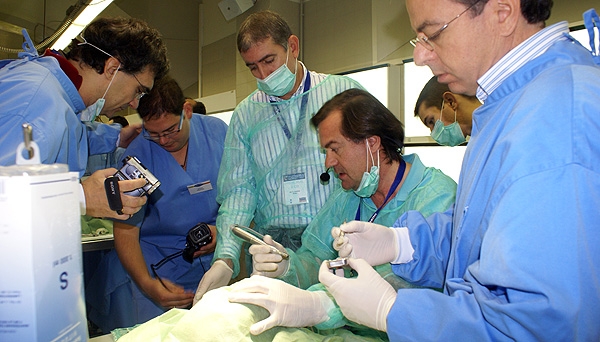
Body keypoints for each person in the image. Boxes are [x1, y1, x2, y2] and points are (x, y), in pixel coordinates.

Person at [317, 2, 600, 341]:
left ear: (503, 12)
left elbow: (535, 327)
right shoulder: (511, 105)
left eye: (432, 34)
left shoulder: (556, 122)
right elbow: (479, 232)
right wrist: (402, 243)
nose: (420, 56)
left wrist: (392, 311)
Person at [228, 88, 457, 337]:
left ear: (372, 142)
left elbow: (408, 283)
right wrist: (286, 266)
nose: (328, 162)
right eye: (325, 151)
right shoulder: (348, 195)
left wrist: (325, 305)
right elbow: (317, 258)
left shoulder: (437, 195)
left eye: (335, 149)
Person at [193, 10, 363, 303]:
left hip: (337, 241)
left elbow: (372, 167)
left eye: (269, 61)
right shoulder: (247, 114)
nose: (263, 75)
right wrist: (226, 257)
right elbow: (239, 192)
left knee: (335, 319)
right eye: (252, 68)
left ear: (293, 46)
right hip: (271, 248)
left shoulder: (342, 93)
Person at [86, 76, 228, 333]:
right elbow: (126, 230)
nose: (163, 141)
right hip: (158, 271)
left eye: (171, 130)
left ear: (186, 111)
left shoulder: (218, 134)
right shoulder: (139, 154)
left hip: (216, 267)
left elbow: (241, 196)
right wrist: (148, 285)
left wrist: (224, 231)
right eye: (154, 133)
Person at [0, 17, 169, 220]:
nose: (134, 103)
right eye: (138, 91)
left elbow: (65, 134)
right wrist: (79, 197)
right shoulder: (36, 101)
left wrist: (117, 137)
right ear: (112, 68)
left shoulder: (57, 96)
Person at [414, 76, 481, 146]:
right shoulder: (478, 145)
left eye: (431, 121)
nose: (433, 133)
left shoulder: (491, 132)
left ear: (450, 102)